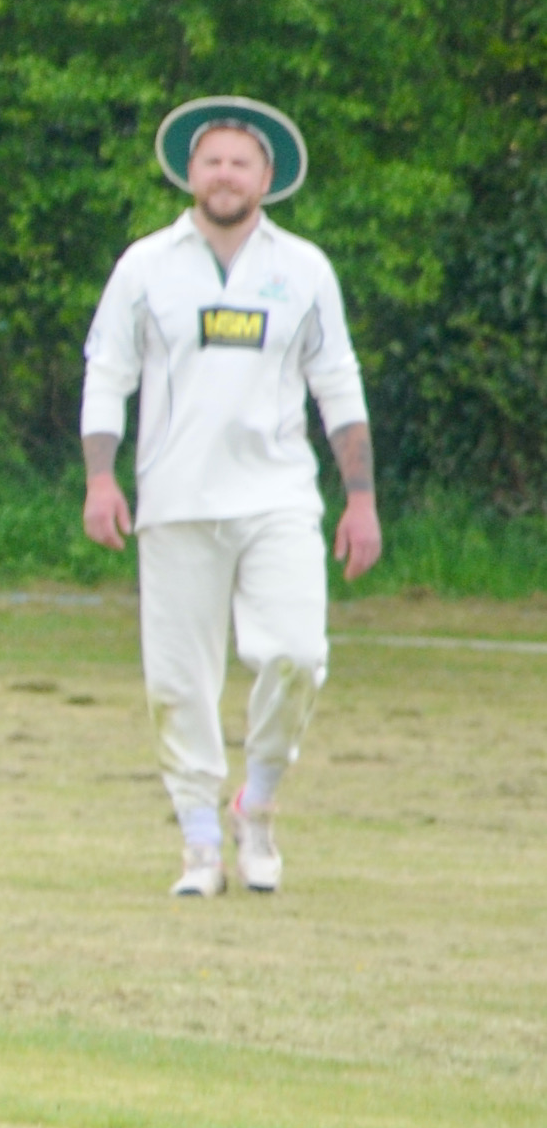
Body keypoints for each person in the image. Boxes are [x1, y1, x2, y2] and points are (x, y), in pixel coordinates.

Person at [81, 95, 378, 898]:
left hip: (280, 497)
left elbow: (337, 385)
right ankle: (201, 843)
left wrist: (361, 500)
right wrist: (101, 479)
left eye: (239, 162)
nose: (223, 174)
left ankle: (260, 804)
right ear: (189, 171)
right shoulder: (147, 265)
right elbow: (107, 373)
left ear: (266, 177)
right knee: (177, 681)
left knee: (297, 655)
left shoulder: (303, 269)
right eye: (210, 160)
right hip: (176, 500)